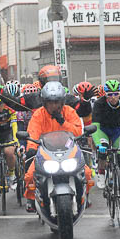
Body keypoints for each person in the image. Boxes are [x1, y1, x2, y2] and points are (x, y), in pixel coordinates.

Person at [23, 81, 89, 213]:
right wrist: (31, 148)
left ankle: (84, 195)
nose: (53, 105)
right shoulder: (38, 114)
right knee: (30, 175)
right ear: (44, 102)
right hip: (46, 152)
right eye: (50, 102)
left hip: (68, 150)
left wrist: (63, 122)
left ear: (62, 102)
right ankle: (31, 198)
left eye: (56, 102)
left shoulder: (69, 112)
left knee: (86, 173)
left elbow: (78, 132)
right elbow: (33, 132)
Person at [91, 79, 120, 212]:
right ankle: (101, 172)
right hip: (102, 130)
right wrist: (98, 144)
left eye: (116, 94)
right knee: (103, 151)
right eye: (110, 94)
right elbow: (95, 127)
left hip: (117, 130)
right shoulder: (99, 104)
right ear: (105, 95)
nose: (113, 97)